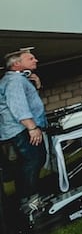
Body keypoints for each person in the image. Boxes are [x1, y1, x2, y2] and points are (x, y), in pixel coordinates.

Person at [0, 50, 48, 208]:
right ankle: (29, 200)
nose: (36, 59)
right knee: (33, 160)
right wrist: (32, 128)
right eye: (31, 58)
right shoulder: (15, 82)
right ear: (16, 64)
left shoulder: (19, 79)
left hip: (20, 129)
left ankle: (27, 198)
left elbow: (29, 102)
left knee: (30, 161)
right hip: (21, 129)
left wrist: (37, 85)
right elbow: (18, 107)